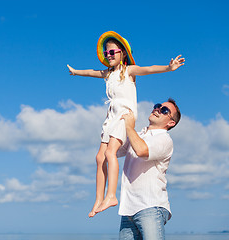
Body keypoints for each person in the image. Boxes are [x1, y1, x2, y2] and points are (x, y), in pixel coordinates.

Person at [67, 31, 185, 218]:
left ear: (122, 53)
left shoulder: (128, 71)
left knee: (110, 153)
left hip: (124, 116)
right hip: (110, 117)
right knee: (99, 158)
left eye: (112, 52)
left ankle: (111, 196)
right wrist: (76, 72)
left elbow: (149, 69)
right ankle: (99, 199)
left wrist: (168, 68)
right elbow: (91, 72)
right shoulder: (108, 74)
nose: (109, 56)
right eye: (106, 53)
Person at [118, 98, 181, 239]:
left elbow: (141, 150)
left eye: (164, 110)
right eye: (158, 106)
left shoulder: (164, 139)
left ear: (171, 123)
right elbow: (115, 151)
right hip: (128, 209)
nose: (157, 109)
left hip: (150, 206)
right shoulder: (138, 135)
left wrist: (129, 127)